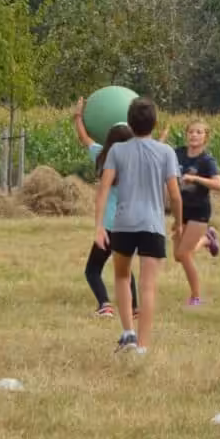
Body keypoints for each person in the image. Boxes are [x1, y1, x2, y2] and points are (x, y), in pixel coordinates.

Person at [93, 98, 182, 354]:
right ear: (154, 123)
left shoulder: (116, 151)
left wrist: (99, 226)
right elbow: (175, 195)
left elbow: (103, 189)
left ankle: (127, 333)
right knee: (148, 286)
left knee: (122, 276)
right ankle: (142, 347)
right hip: (153, 225)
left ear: (130, 124)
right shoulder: (166, 152)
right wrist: (178, 222)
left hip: (123, 224)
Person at [73, 101, 133, 318]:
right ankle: (134, 308)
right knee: (123, 267)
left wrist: (78, 117)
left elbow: (84, 138)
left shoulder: (101, 156)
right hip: (129, 224)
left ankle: (105, 305)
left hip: (108, 225)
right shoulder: (136, 161)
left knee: (92, 270)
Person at [174, 119, 220, 307]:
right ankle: (207, 240)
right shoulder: (177, 153)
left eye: (199, 132)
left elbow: (219, 184)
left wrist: (195, 178)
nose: (194, 135)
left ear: (205, 137)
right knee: (178, 256)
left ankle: (196, 297)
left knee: (184, 254)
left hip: (199, 211)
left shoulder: (206, 161)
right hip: (181, 210)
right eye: (191, 132)